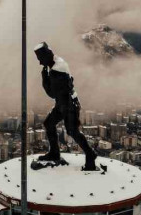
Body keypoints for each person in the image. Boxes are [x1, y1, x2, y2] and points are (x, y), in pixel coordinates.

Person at [34, 42, 99, 171]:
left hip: (69, 106)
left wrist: (44, 78)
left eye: (40, 59)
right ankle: (54, 152)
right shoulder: (57, 63)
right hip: (64, 103)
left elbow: (51, 93)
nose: (40, 63)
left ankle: (90, 154)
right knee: (49, 124)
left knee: (72, 131)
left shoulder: (56, 72)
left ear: (46, 56)